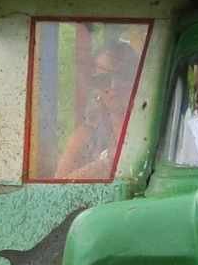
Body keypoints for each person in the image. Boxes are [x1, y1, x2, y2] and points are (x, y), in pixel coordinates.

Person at [50, 36, 139, 179]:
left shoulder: (157, 130)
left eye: (122, 76)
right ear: (96, 86)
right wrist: (106, 163)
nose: (113, 87)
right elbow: (58, 188)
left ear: (138, 78)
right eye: (103, 80)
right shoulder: (85, 136)